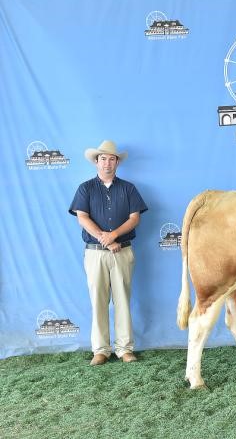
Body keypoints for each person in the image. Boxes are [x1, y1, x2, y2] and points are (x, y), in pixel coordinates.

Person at [69, 140, 148, 365]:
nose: (107, 163)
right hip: (95, 253)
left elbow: (135, 218)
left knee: (122, 300)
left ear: (117, 162)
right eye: (103, 158)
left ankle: (124, 349)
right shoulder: (85, 188)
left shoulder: (128, 188)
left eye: (111, 159)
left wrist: (114, 236)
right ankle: (101, 350)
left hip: (122, 252)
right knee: (98, 300)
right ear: (96, 162)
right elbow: (82, 217)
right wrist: (105, 239)